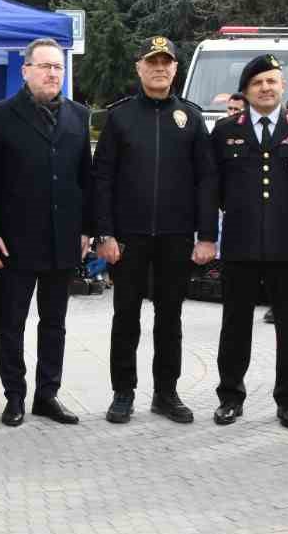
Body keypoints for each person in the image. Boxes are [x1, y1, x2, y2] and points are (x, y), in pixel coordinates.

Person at [93, 36, 218, 424]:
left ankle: (166, 393)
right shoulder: (120, 117)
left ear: (176, 69)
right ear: (139, 68)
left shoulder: (192, 118)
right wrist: (105, 234)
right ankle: (123, 393)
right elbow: (103, 180)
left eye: (167, 62)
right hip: (128, 238)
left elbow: (206, 181)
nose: (159, 68)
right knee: (125, 317)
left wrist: (207, 236)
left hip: (175, 237)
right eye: (152, 62)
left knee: (170, 319)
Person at [211, 54, 288, 429]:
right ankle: (230, 396)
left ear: (282, 86)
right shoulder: (226, 131)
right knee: (234, 325)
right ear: (245, 91)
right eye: (258, 82)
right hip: (240, 246)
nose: (265, 88)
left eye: (272, 81)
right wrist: (206, 238)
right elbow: (211, 191)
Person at [0, 37, 91, 426]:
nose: (52, 73)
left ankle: (48, 394)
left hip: (63, 239)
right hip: (15, 241)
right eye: (44, 66)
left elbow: (85, 178)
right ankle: (15, 396)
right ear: (25, 70)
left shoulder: (79, 115)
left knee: (55, 323)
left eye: (58, 67)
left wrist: (87, 229)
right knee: (12, 323)